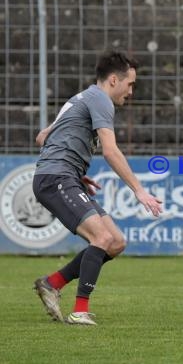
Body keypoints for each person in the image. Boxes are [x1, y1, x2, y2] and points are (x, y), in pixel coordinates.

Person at [32, 50, 163, 326]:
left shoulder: (81, 98)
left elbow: (42, 137)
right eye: (130, 84)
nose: (131, 91)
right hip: (56, 177)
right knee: (101, 238)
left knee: (115, 242)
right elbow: (111, 151)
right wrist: (139, 190)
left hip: (63, 175)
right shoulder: (101, 100)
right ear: (113, 80)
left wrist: (75, 170)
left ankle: (51, 283)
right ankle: (80, 311)